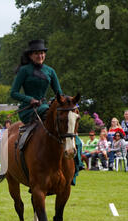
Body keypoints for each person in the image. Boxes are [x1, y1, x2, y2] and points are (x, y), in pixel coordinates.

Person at [10, 39, 83, 181]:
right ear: (31, 55)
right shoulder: (24, 71)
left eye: (42, 53)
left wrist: (62, 102)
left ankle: (75, 166)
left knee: (72, 136)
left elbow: (59, 94)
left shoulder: (50, 71)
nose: (40, 56)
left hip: (45, 108)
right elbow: (13, 93)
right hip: (29, 110)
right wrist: (29, 99)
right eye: (37, 53)